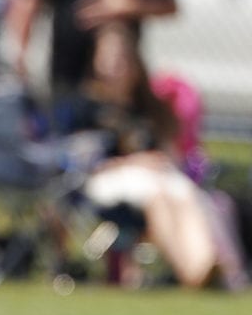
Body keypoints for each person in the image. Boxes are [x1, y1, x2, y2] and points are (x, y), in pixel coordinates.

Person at [72, 22, 245, 288]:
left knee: (190, 196)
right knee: (159, 197)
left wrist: (163, 160)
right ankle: (193, 272)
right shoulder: (88, 107)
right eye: (110, 58)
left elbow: (171, 153)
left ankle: (212, 265)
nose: (116, 66)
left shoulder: (148, 107)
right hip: (110, 180)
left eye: (123, 59)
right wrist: (135, 162)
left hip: (158, 176)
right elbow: (84, 161)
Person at [4, 0, 177, 136]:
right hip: (70, 73)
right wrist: (18, 54)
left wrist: (128, 3)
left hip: (123, 75)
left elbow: (168, 3)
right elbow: (29, 0)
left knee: (130, 129)